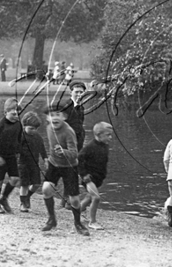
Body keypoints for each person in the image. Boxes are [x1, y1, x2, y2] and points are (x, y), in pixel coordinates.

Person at [41, 102, 89, 235]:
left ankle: (78, 223)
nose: (54, 118)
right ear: (47, 118)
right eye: (51, 115)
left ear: (64, 117)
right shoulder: (49, 127)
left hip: (69, 166)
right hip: (53, 164)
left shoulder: (69, 132)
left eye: (58, 114)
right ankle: (52, 219)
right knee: (46, 189)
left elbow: (74, 153)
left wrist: (64, 152)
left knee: (73, 199)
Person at [78, 122, 113, 230]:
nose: (110, 137)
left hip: (98, 178)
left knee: (89, 198)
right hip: (89, 178)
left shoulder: (105, 146)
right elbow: (79, 160)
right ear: (99, 134)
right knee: (96, 197)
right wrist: (84, 175)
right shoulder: (90, 147)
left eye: (111, 135)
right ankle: (92, 222)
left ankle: (77, 213)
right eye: (108, 135)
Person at [59, 80, 86, 208]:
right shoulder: (65, 106)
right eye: (77, 92)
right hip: (68, 144)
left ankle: (66, 199)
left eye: (81, 92)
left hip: (78, 143)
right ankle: (69, 200)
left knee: (73, 170)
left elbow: (79, 124)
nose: (79, 94)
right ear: (71, 92)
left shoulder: (81, 107)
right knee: (70, 171)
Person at [0, 98, 22, 213]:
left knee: (15, 178)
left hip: (11, 156)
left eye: (17, 114)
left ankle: (4, 198)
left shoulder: (18, 124)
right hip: (0, 157)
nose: (16, 116)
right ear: (5, 113)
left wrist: (18, 152)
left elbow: (19, 139)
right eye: (13, 114)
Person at [18, 111, 49, 212]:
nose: (33, 131)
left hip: (34, 163)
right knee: (24, 184)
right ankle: (23, 203)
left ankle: (27, 197)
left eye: (35, 129)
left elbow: (42, 149)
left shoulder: (37, 137)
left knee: (36, 184)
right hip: (23, 163)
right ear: (24, 126)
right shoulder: (21, 136)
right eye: (30, 128)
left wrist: (45, 159)